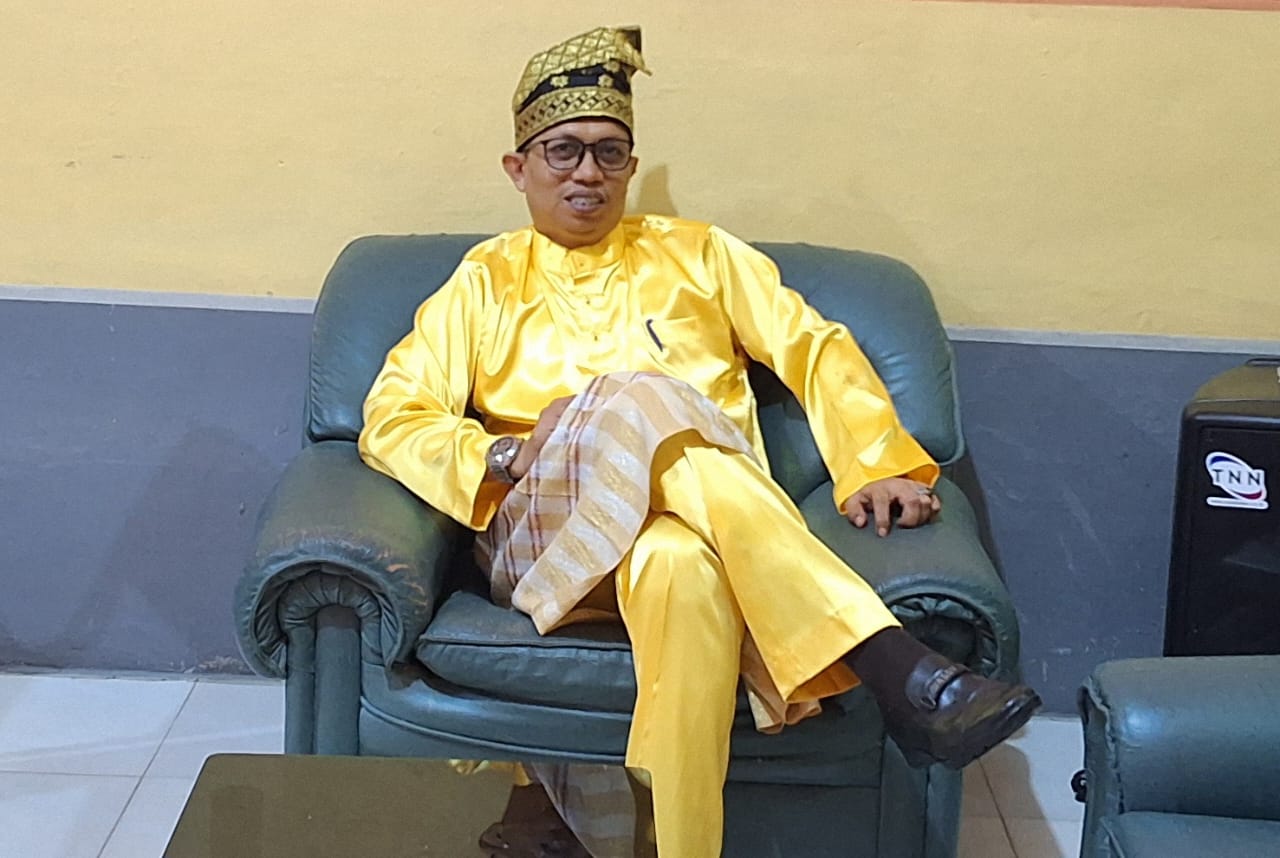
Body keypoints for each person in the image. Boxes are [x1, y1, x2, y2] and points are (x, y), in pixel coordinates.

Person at [358, 25, 1040, 857]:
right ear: (518, 168)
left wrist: (875, 460)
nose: (587, 173)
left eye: (609, 153)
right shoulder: (485, 282)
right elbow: (394, 416)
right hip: (547, 542)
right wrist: (501, 456)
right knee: (640, 395)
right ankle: (894, 665)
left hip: (699, 533)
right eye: (564, 151)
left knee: (681, 569)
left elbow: (812, 345)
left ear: (630, 166)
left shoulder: (700, 256)